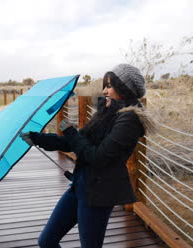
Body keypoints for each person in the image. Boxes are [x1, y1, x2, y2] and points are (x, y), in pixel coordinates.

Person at [21, 64, 156, 248]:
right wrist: (38, 138)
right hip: (80, 185)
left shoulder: (129, 120)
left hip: (99, 194)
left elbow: (97, 157)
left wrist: (70, 131)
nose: (104, 90)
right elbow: (75, 141)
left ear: (123, 88)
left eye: (109, 85)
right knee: (46, 240)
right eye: (105, 85)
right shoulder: (107, 112)